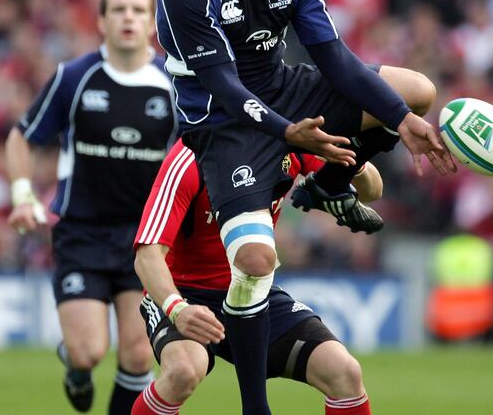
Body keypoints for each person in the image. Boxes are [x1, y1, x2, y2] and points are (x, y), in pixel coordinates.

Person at [156, 0, 455, 413]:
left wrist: (401, 120)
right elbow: (223, 87)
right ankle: (254, 406)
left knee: (417, 90)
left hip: (283, 90)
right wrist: (286, 133)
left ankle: (333, 184)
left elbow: (334, 58)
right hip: (223, 125)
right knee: (255, 261)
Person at [5, 0, 177, 414]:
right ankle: (76, 367)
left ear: (153, 23)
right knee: (89, 352)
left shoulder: (172, 84)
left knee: (139, 356)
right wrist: (23, 195)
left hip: (146, 240)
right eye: (118, 10)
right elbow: (21, 138)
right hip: (81, 235)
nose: (128, 18)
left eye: (138, 11)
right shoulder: (74, 77)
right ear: (100, 21)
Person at [131, 139, 380, 414]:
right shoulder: (189, 157)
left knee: (344, 372)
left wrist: (350, 163)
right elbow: (147, 255)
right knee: (183, 372)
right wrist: (176, 308)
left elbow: (373, 190)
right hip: (186, 293)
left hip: (252, 290)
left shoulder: (293, 138)